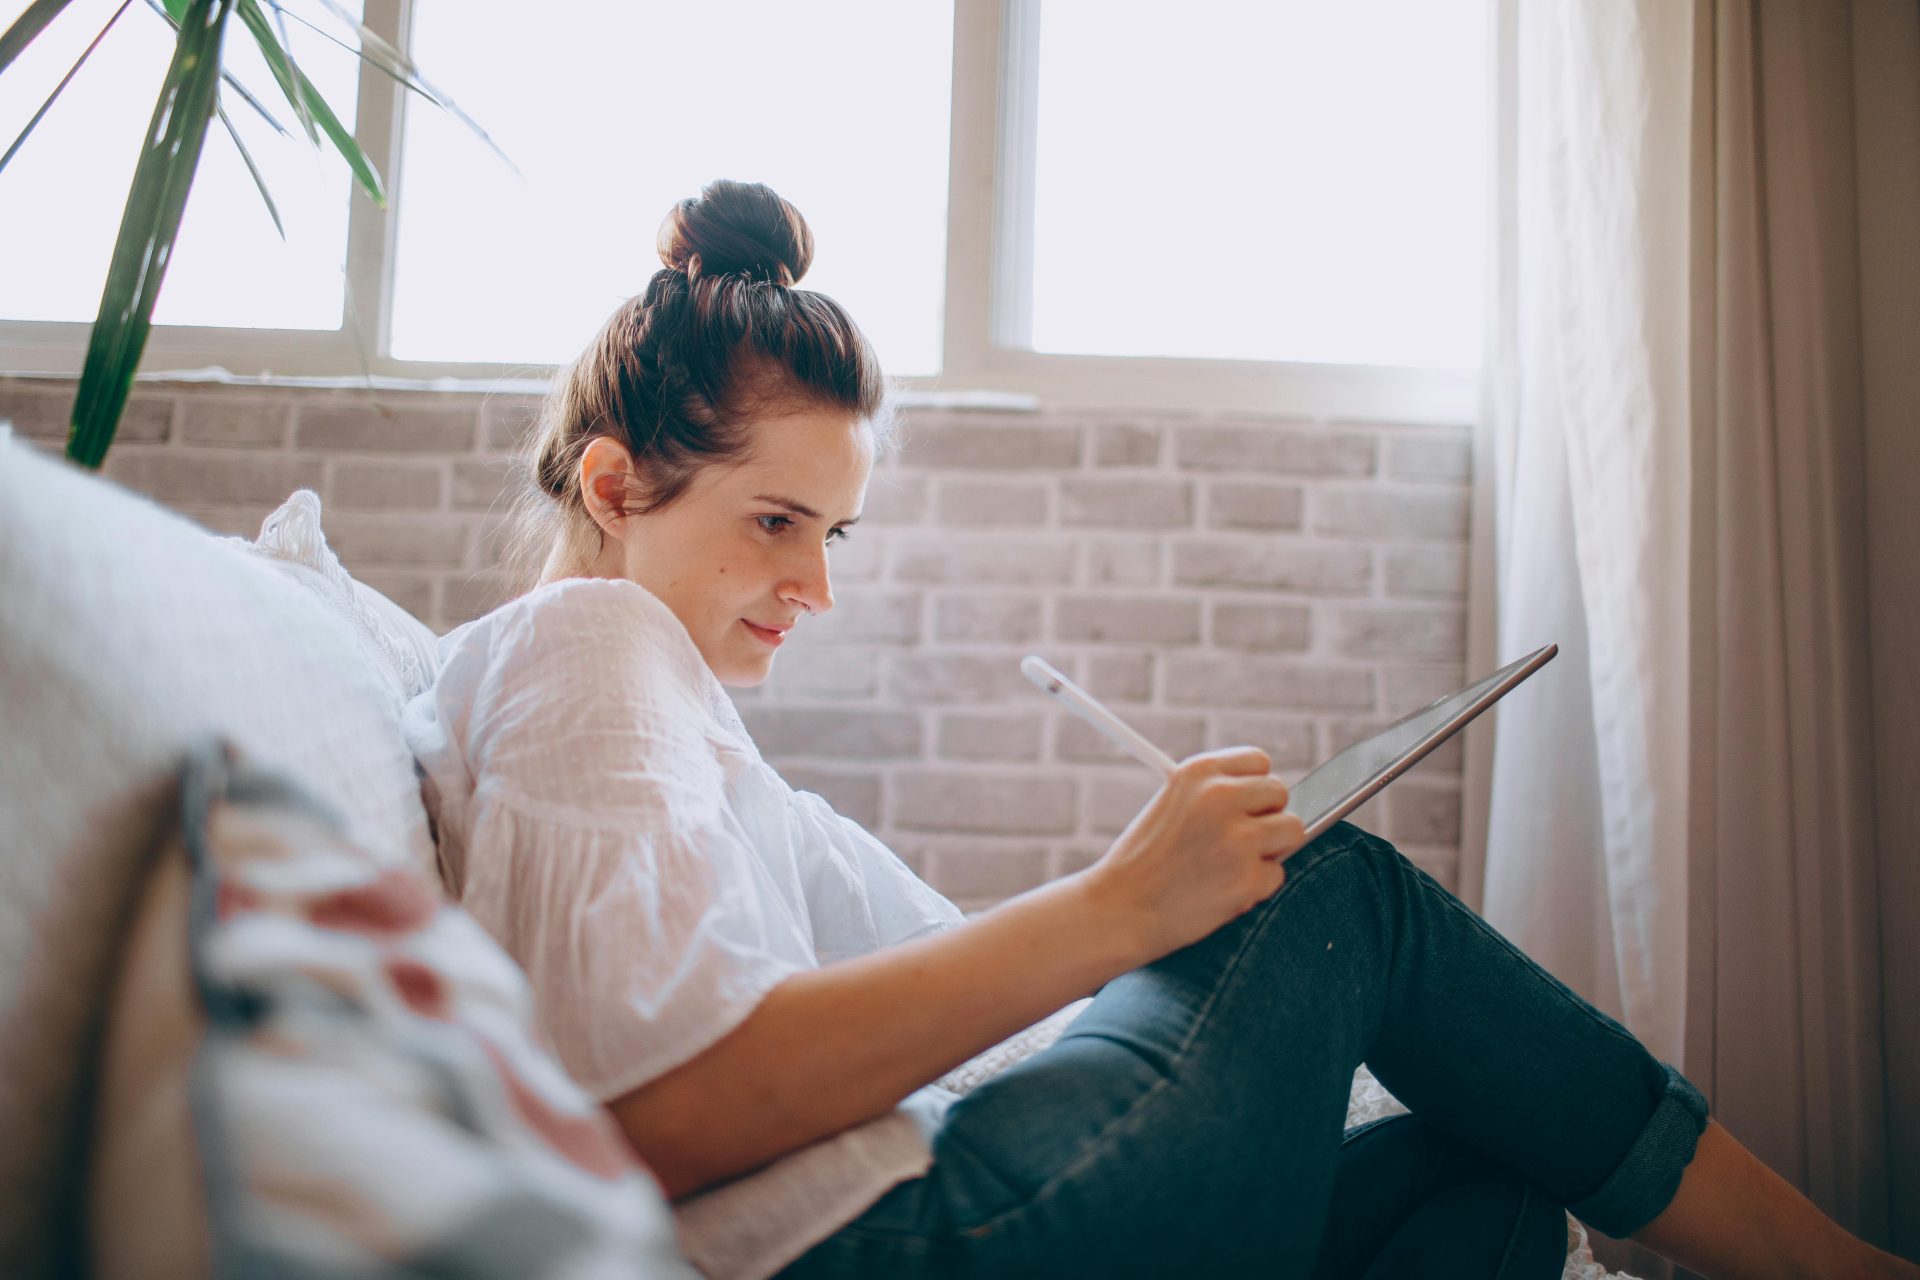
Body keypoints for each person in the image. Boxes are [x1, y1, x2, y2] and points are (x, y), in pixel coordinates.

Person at [401, 180, 1918, 1280]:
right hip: (878, 1247)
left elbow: (972, 1020)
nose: (814, 584)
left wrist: (1260, 1005)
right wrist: (1131, 906)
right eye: (777, 522)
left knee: (1474, 1191)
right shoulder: (584, 646)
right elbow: (655, 1114)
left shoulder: (685, 732)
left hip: (942, 1195)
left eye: (838, 535)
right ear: (613, 488)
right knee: (1338, 891)